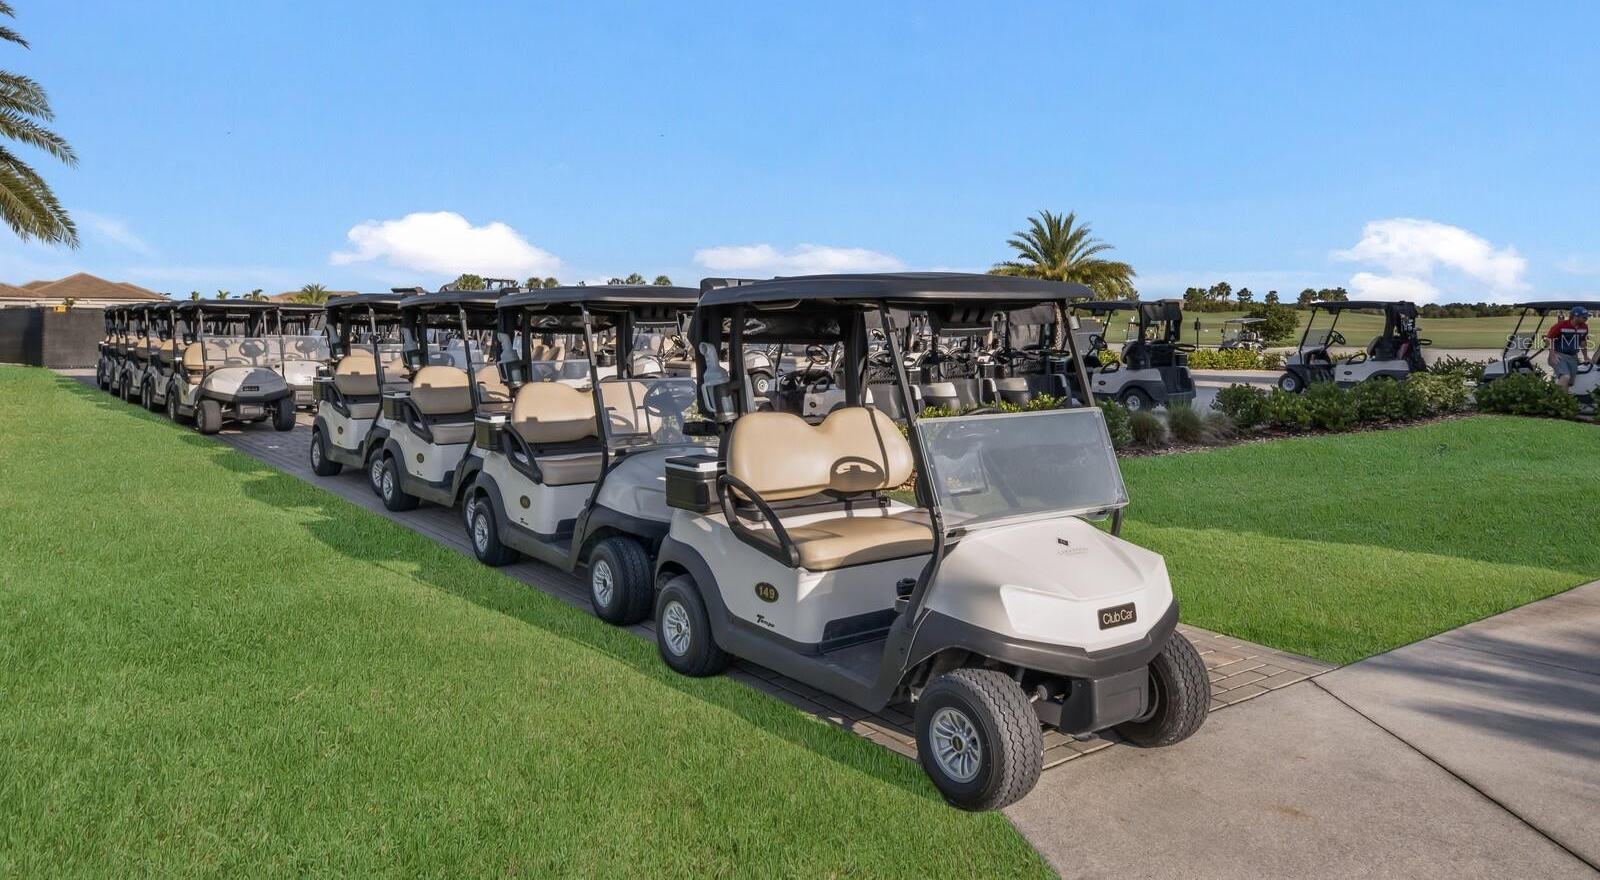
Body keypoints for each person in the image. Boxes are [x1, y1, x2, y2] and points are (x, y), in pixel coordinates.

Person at [1546, 306, 1591, 390]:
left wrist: (1585, 356)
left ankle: (1561, 395)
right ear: (1575, 316)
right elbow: (1549, 339)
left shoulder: (1584, 327)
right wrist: (1552, 354)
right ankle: (1559, 398)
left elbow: (1583, 341)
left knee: (1570, 382)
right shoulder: (1561, 325)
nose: (1586, 318)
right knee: (1565, 377)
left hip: (1573, 356)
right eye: (1584, 317)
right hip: (1559, 355)